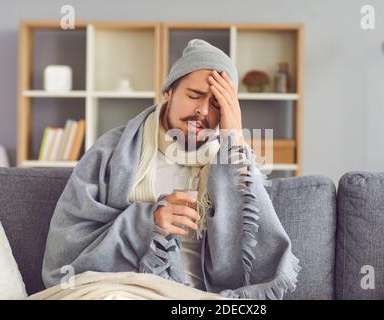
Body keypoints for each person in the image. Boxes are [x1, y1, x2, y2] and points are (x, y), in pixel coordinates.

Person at [42, 39, 301, 299]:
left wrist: (233, 136)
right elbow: (66, 246)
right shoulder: (111, 151)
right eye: (194, 96)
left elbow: (259, 243)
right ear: (168, 92)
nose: (202, 110)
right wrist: (148, 222)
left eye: (217, 104)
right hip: (126, 287)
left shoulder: (232, 161)